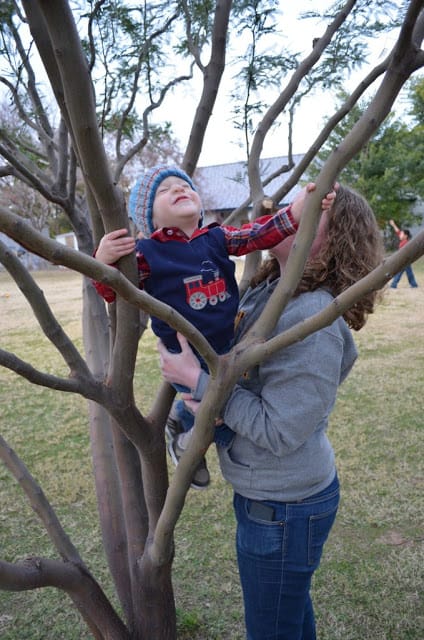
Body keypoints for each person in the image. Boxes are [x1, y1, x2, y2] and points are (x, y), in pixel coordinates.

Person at [158, 184, 384, 639]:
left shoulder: (311, 317)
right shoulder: (269, 290)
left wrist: (196, 381)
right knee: (288, 615)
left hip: (286, 507)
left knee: (271, 628)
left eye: (309, 211)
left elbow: (282, 430)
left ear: (333, 239)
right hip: (270, 498)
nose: (287, 213)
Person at [93, 165, 335, 490]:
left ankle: (183, 421)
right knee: (219, 419)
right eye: (164, 191)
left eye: (184, 185)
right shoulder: (146, 253)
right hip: (186, 354)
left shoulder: (217, 238)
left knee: (227, 402)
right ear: (148, 218)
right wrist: (103, 260)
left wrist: (296, 211)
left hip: (227, 344)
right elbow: (114, 289)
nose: (178, 190)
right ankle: (187, 438)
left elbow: (257, 234)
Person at [389, 219, 418, 288]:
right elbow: (398, 231)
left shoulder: (406, 243)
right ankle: (414, 284)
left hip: (404, 260)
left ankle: (393, 285)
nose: (400, 235)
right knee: (409, 273)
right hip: (405, 260)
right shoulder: (403, 241)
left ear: (406, 236)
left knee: (399, 272)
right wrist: (393, 225)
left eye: (402, 234)